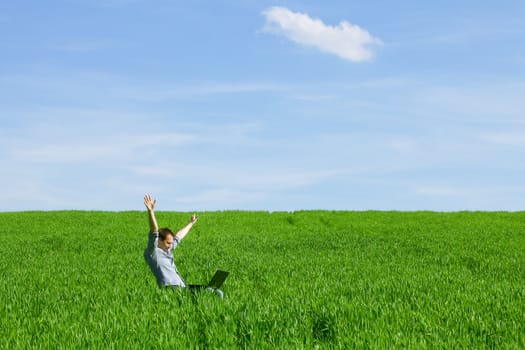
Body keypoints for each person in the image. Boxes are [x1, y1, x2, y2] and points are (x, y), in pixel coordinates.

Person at [143, 194, 223, 298]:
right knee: (208, 293)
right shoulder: (152, 252)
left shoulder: (168, 250)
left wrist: (191, 223)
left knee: (216, 291)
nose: (170, 245)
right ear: (159, 240)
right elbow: (154, 231)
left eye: (171, 243)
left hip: (182, 287)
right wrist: (151, 212)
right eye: (168, 243)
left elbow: (179, 236)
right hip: (171, 289)